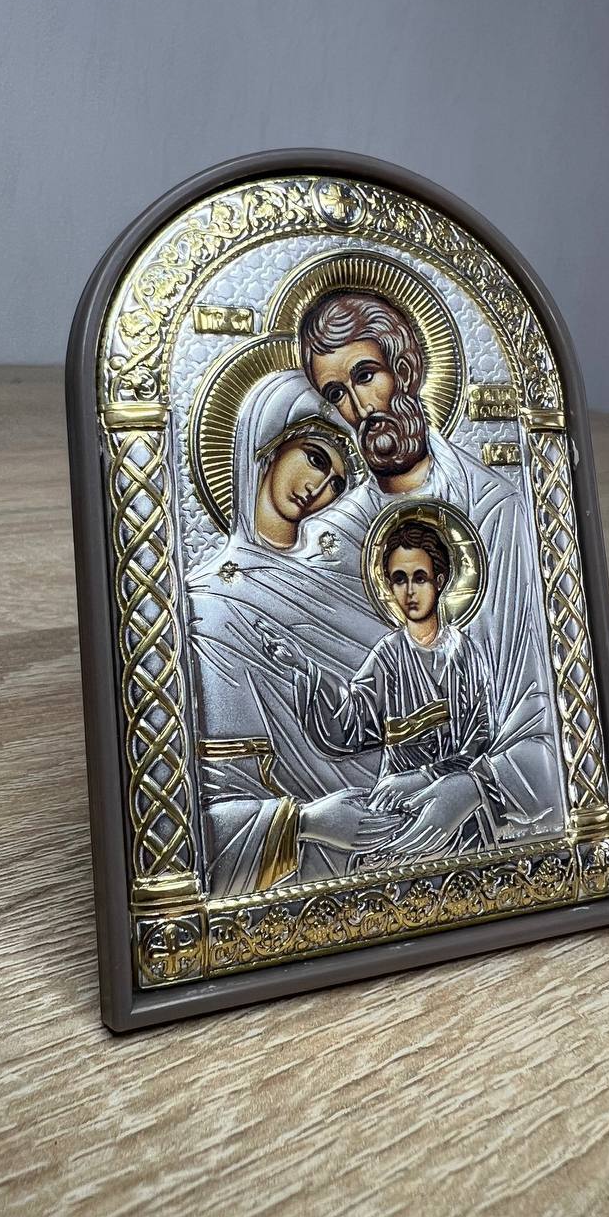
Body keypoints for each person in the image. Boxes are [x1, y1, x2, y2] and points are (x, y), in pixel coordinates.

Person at [295, 290, 565, 837]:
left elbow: (533, 708)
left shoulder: (495, 509)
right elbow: (352, 721)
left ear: (405, 369)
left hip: (472, 810)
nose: (360, 407)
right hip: (385, 810)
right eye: (337, 394)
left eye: (366, 375)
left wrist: (465, 783)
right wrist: (306, 679)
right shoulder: (330, 535)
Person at [187, 369, 403, 895]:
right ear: (272, 440)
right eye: (315, 458)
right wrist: (306, 823)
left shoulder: (345, 580)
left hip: (405, 820)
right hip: (316, 865)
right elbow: (205, 813)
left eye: (338, 484)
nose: (320, 489)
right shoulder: (207, 605)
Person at [256, 518, 500, 860]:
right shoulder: (388, 655)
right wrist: (305, 668)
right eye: (399, 579)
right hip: (396, 811)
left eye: (420, 578)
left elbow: (481, 743)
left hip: (457, 814)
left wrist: (423, 777)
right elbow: (351, 723)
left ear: (440, 580)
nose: (409, 592)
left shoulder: (465, 656)